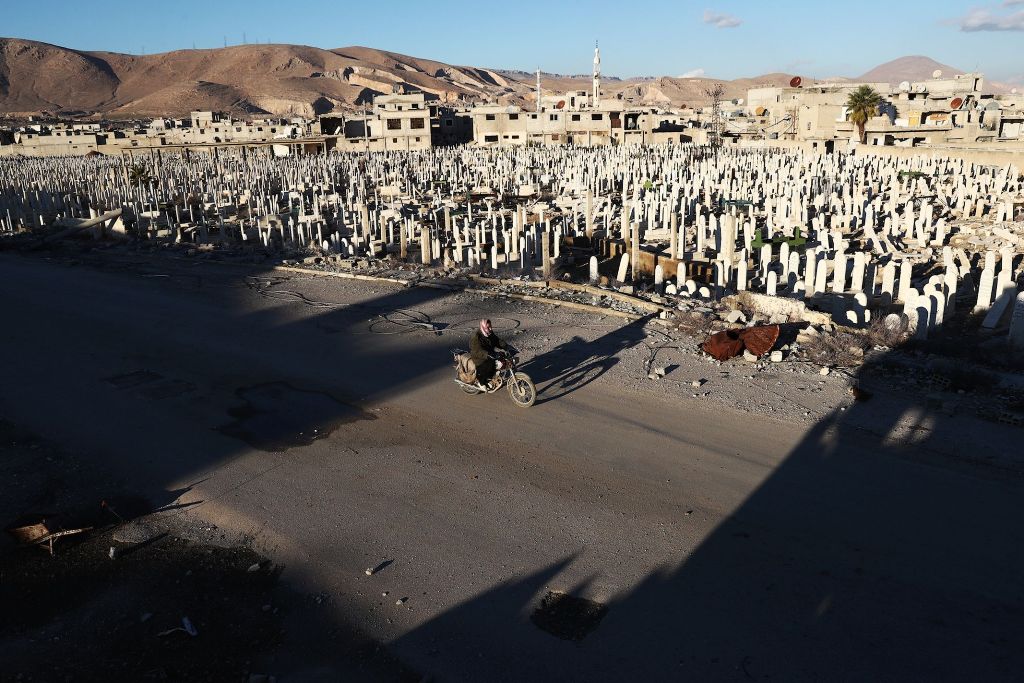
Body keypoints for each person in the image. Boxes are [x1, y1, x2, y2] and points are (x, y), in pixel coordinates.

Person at [470, 318, 508, 389]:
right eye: (488, 327)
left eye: (490, 326)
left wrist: (505, 346)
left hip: (489, 353)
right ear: (483, 327)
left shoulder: (489, 333)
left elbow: (496, 340)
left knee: (501, 361)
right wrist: (488, 354)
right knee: (489, 365)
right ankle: (481, 383)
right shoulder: (476, 337)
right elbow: (477, 351)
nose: (490, 329)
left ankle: (492, 375)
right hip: (479, 358)